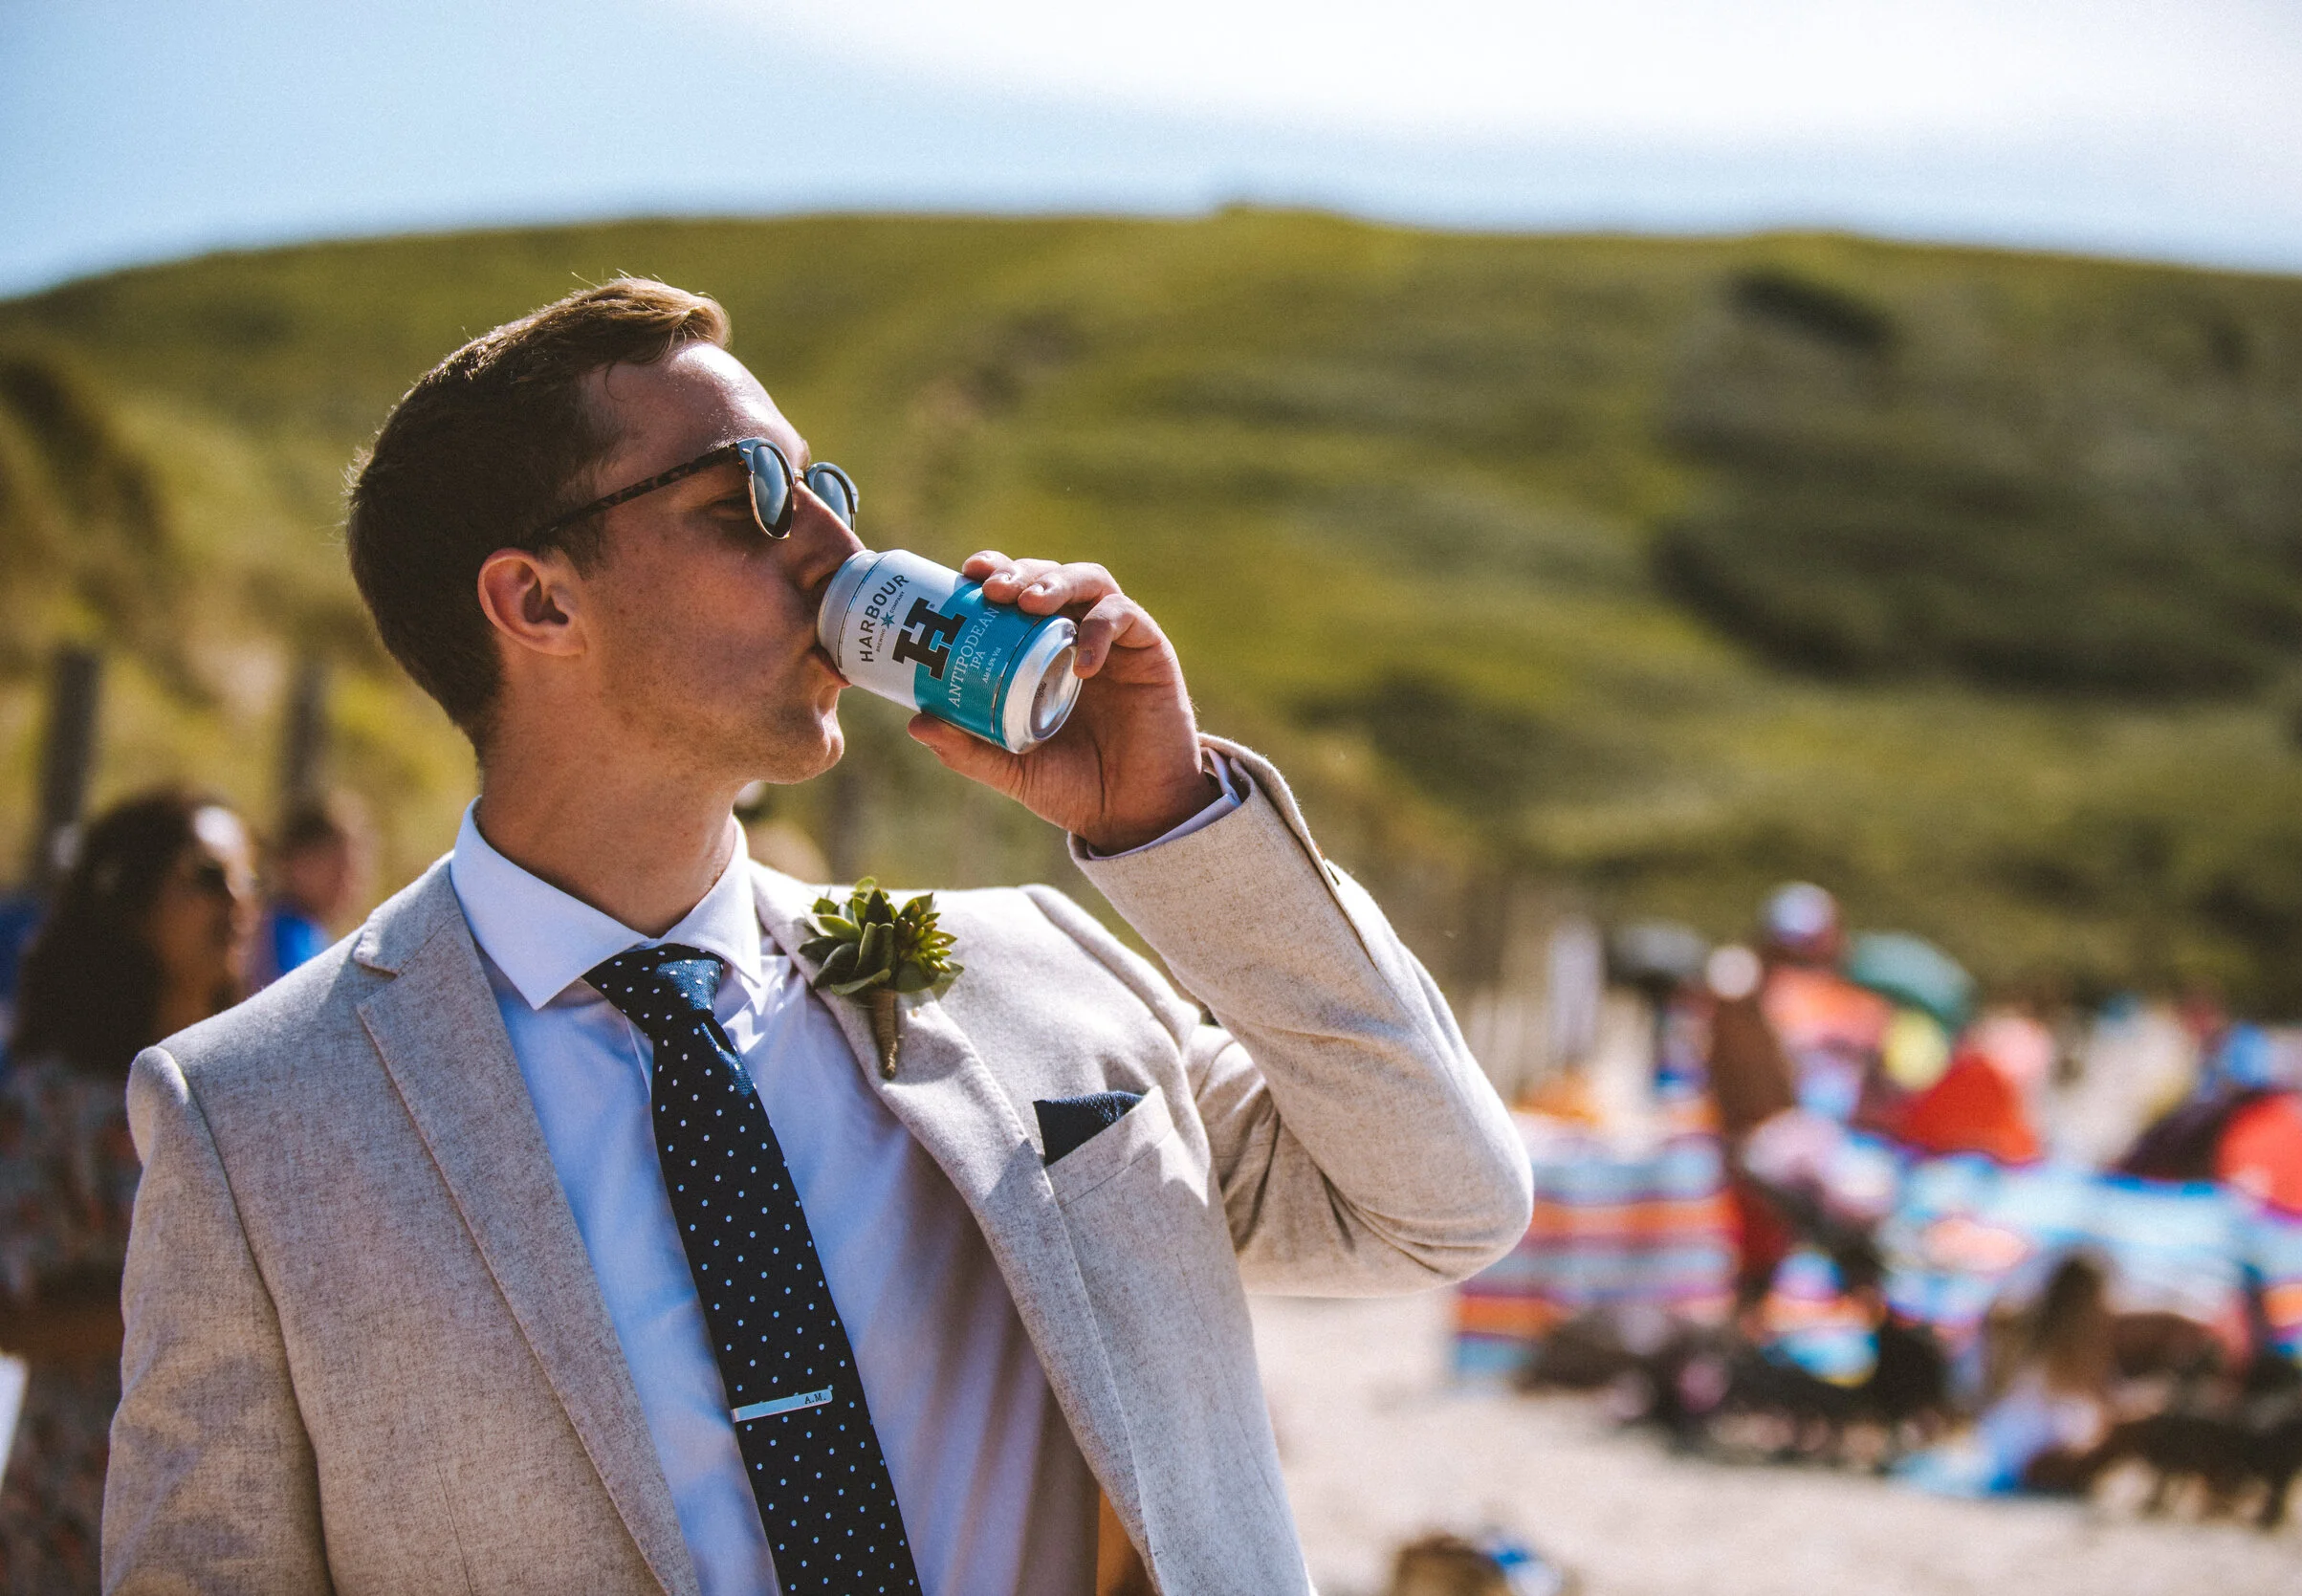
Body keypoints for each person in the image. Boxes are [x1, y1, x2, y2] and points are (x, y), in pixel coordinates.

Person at [102, 279, 1533, 1595]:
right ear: (538, 599)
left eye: (826, 485)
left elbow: (1443, 1203)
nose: (838, 548)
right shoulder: (256, 1118)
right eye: (753, 497)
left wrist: (1171, 822)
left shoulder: (1035, 970)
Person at [0, 792, 254, 1592]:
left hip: (235, 1523)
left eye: (247, 877)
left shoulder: (261, 1088)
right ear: (129, 897)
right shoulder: (57, 1099)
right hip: (79, 1508)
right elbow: (16, 1320)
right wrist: (191, 1297)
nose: (237, 900)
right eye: (206, 876)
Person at [252, 792, 376, 984]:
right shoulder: (286, 933)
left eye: (356, 870)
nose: (349, 883)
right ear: (297, 863)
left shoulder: (312, 932)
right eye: (338, 868)